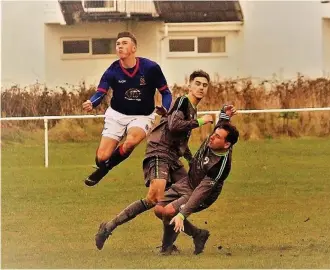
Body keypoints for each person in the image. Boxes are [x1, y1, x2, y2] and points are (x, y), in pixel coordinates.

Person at [94, 70, 215, 250]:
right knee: (154, 198)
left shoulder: (191, 107)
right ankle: (108, 227)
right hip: (160, 153)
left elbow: (179, 139)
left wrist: (192, 160)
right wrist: (200, 121)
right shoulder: (183, 101)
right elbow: (174, 126)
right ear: (189, 85)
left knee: (179, 199)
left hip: (172, 158)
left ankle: (183, 240)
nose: (201, 88)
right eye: (197, 83)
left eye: (205, 85)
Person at [83, 31, 172, 186]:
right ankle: (103, 165)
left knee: (130, 142)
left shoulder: (150, 68)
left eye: (124, 43)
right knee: (102, 158)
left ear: (134, 48)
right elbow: (101, 92)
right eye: (118, 44)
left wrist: (165, 107)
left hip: (142, 116)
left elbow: (165, 92)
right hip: (117, 114)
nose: (120, 46)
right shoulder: (112, 70)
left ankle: (104, 170)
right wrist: (92, 102)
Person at [154, 111, 239, 255]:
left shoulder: (221, 165)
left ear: (227, 144)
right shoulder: (215, 139)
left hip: (202, 193)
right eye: (213, 134)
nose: (211, 137)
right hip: (189, 182)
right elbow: (219, 126)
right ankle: (197, 234)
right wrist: (225, 114)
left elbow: (201, 191)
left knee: (169, 211)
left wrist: (182, 214)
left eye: (217, 137)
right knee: (159, 209)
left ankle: (166, 249)